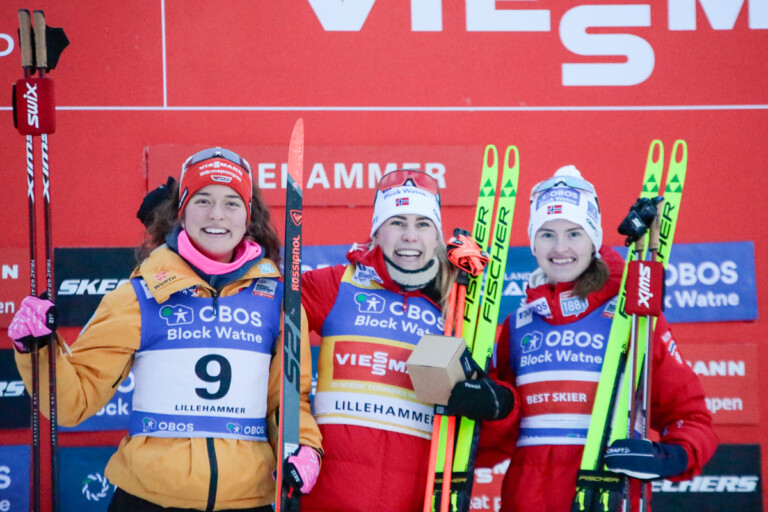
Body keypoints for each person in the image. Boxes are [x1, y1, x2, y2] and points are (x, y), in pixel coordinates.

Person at [8, 147, 323, 511]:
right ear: (181, 210)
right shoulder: (138, 295)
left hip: (246, 500)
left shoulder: (279, 302)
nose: (217, 214)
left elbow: (286, 404)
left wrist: (304, 449)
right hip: (148, 499)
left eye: (232, 202)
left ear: (249, 216)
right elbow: (72, 403)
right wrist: (37, 349)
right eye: (203, 200)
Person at [474, 165, 718, 511]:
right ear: (532, 241)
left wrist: (668, 457)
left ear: (594, 239)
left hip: (606, 497)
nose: (560, 247)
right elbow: (499, 440)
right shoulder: (519, 324)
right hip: (524, 501)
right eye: (547, 234)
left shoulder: (632, 316)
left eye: (574, 233)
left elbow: (690, 417)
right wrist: (485, 407)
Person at [299, 169, 516, 512]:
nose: (409, 236)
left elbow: (485, 437)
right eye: (397, 222)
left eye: (422, 224)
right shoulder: (337, 284)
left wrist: (497, 404)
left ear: (437, 237)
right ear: (377, 231)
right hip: (328, 498)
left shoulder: (459, 306)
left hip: (418, 499)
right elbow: (266, 316)